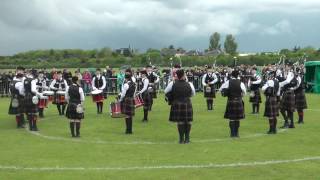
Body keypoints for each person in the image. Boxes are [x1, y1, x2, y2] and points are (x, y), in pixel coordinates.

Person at [165, 69, 195, 144]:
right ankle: (187, 139)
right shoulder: (189, 84)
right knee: (188, 121)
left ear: (177, 76)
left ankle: (181, 140)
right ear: (184, 75)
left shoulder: (172, 83)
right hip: (187, 103)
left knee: (180, 122)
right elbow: (193, 94)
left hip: (177, 103)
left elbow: (166, 91)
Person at [219, 69, 246, 138]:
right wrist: (240, 96)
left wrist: (226, 92)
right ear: (238, 75)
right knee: (237, 118)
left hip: (231, 101)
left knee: (232, 118)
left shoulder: (228, 82)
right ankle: (237, 134)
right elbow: (244, 92)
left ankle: (232, 134)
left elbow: (220, 89)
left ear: (231, 75)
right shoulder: (241, 83)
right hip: (239, 101)